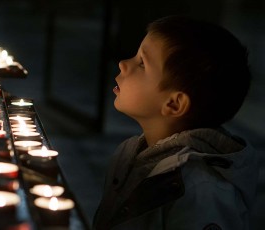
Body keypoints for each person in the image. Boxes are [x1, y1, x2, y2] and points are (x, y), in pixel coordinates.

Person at [93, 15, 259, 230]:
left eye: (142, 63)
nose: (123, 64)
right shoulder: (130, 152)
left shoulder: (201, 192)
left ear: (174, 104)